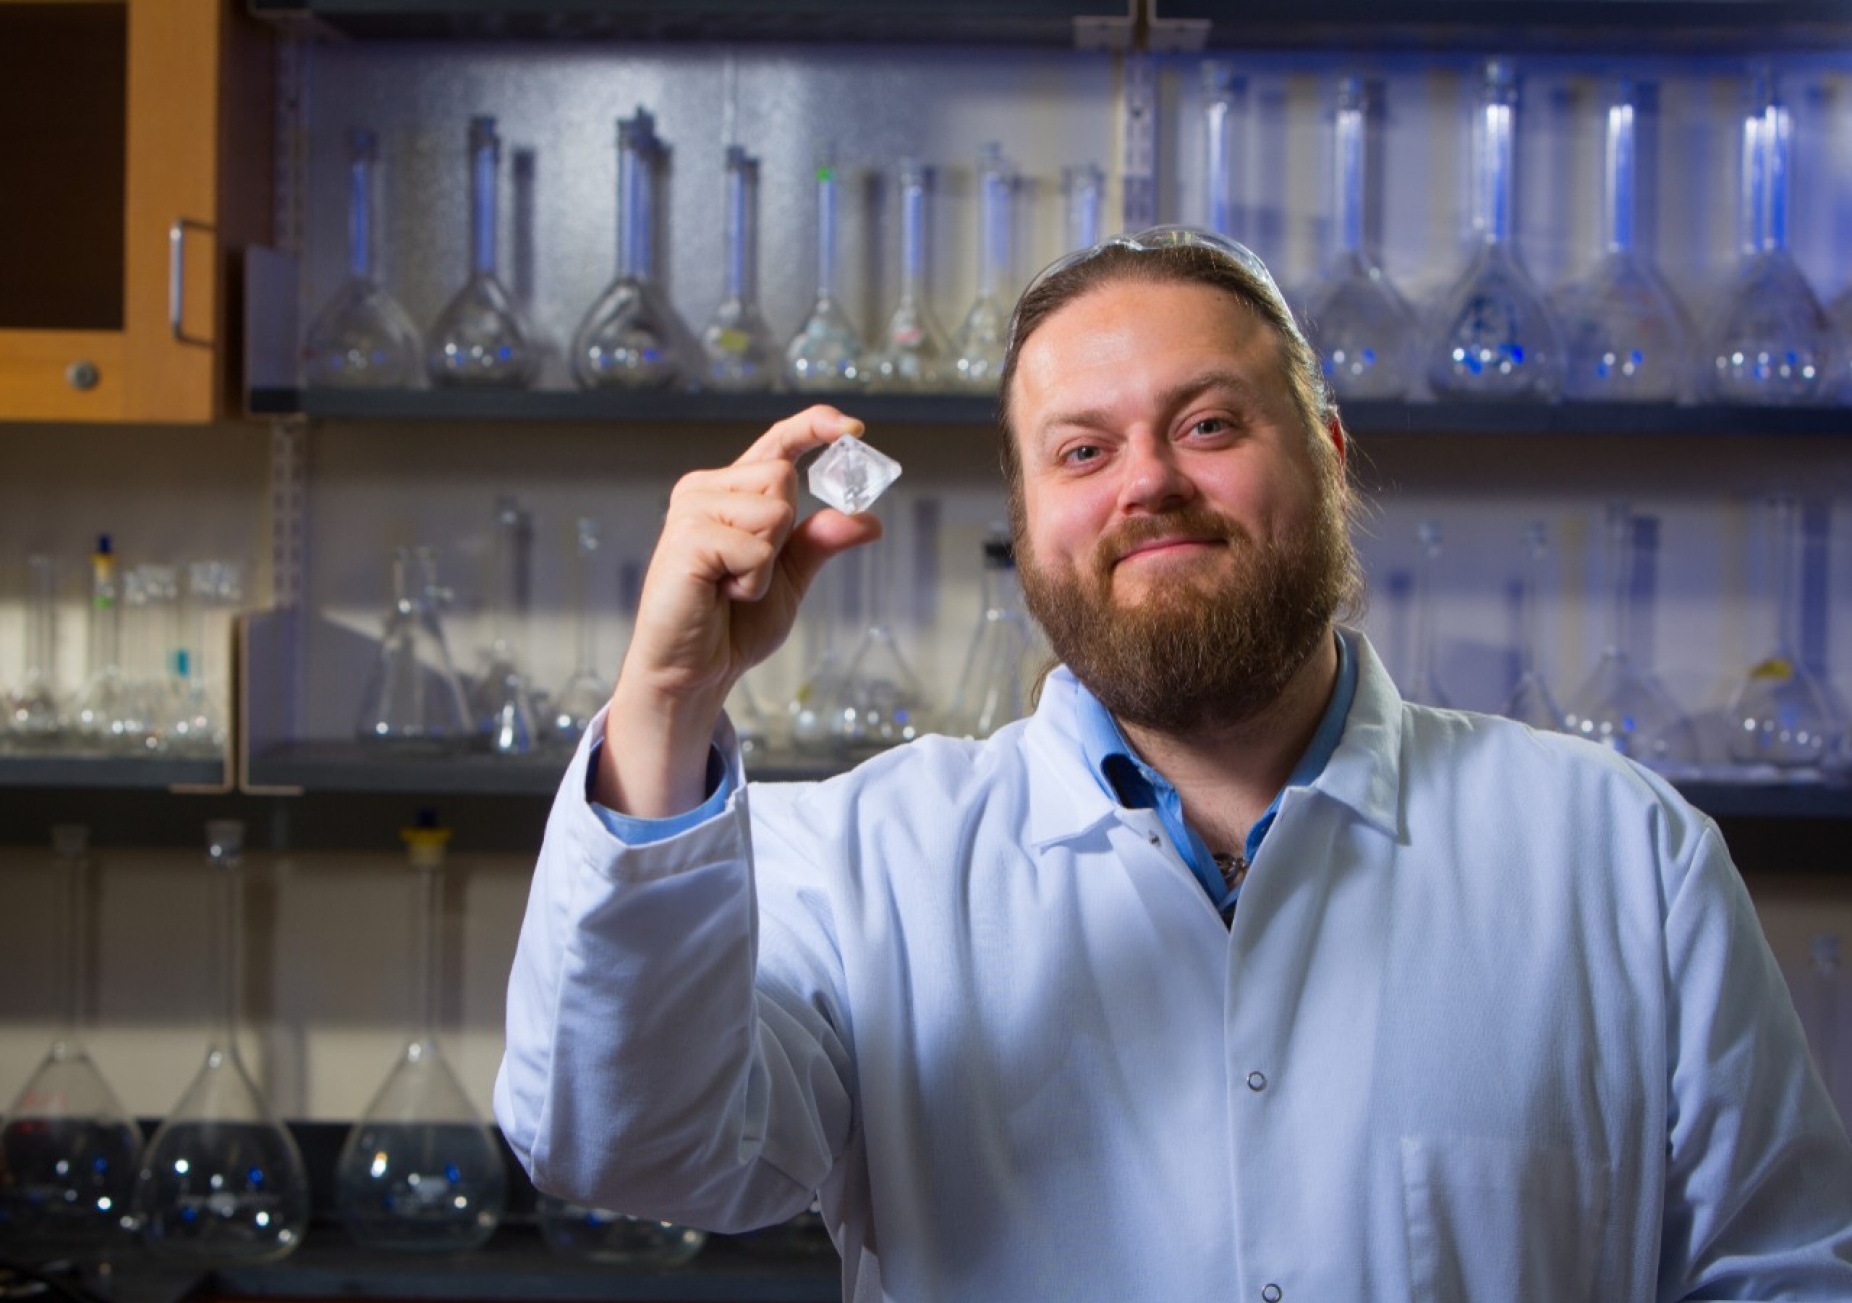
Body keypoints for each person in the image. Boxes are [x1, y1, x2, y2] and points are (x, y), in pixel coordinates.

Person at [494, 226, 1852, 1301]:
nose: (1147, 483)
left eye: (1209, 425)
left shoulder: (1621, 853)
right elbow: (628, 1145)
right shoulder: (862, 865)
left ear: (1324, 460)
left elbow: (1784, 1271)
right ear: (1029, 531)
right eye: (1082, 451)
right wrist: (668, 701)